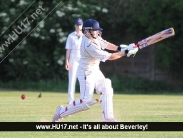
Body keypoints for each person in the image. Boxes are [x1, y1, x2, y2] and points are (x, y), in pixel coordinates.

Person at [53, 19, 138, 122]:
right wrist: (125, 52)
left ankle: (107, 118)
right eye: (95, 30)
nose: (97, 32)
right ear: (87, 31)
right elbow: (110, 57)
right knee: (85, 103)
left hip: (95, 70)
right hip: (86, 73)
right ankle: (61, 111)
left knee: (106, 86)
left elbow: (105, 44)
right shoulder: (88, 45)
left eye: (98, 30)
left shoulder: (94, 37)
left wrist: (119, 48)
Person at [65, 18, 83, 104]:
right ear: (75, 25)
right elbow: (68, 49)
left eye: (80, 25)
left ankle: (83, 99)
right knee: (72, 79)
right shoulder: (71, 36)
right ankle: (70, 100)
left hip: (83, 58)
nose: (78, 26)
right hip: (73, 58)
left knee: (83, 79)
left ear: (82, 25)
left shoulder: (85, 36)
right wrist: (67, 61)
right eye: (77, 25)